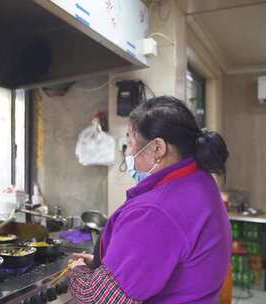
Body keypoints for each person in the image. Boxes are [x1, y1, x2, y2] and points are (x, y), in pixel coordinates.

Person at [67, 96, 231, 303]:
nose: (129, 152)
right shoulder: (200, 181)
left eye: (130, 142)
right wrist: (108, 265)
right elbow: (163, 259)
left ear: (158, 148)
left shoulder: (155, 212)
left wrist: (77, 270)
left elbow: (100, 298)